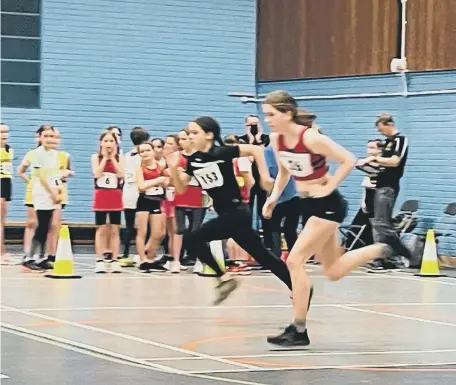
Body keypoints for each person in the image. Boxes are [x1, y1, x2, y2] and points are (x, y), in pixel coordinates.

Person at [261, 91, 394, 347]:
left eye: (271, 114)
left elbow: (348, 159)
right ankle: (384, 247)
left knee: (295, 260)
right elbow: (285, 172)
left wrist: (329, 185)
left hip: (328, 205)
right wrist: (273, 198)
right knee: (333, 271)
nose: (267, 119)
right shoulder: (277, 139)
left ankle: (298, 329)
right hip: (308, 205)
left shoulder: (310, 137)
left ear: (287, 113)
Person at [167, 116, 292, 305]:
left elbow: (256, 150)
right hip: (226, 214)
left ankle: (223, 279)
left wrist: (264, 178)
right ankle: (298, 286)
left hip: (237, 212)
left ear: (208, 135)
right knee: (264, 257)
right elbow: (182, 188)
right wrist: (174, 171)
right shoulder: (193, 160)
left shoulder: (222, 152)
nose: (190, 137)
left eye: (194, 133)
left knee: (194, 238)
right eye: (188, 133)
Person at [358, 113, 412, 267]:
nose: (380, 133)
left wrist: (374, 159)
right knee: (377, 223)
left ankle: (402, 251)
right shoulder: (387, 142)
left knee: (383, 223)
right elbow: (383, 165)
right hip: (378, 185)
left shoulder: (400, 140)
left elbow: (395, 162)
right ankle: (382, 258)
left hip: (388, 187)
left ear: (389, 124)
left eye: (382, 129)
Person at [22, 126, 61, 271]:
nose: (50, 139)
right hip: (43, 191)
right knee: (42, 225)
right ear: (40, 138)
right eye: (46, 136)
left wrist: (57, 191)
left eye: (52, 136)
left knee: (47, 225)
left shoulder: (55, 154)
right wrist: (52, 192)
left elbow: (54, 175)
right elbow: (42, 176)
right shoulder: (38, 153)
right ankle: (29, 257)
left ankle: (42, 257)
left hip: (52, 189)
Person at [236, 115, 272, 249]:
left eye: (256, 124)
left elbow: (263, 154)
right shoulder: (241, 140)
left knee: (264, 212)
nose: (253, 127)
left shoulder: (266, 139)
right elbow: (247, 157)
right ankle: (247, 244)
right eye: (251, 125)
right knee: (247, 212)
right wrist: (251, 140)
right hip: (247, 181)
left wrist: (258, 138)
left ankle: (269, 245)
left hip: (262, 180)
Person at [173, 129, 207, 269]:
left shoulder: (202, 155)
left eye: (185, 138)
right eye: (180, 139)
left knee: (196, 229)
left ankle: (199, 259)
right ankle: (176, 260)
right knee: (180, 229)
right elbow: (174, 174)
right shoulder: (176, 156)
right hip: (181, 194)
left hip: (198, 195)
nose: (182, 142)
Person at [91, 130, 124, 273]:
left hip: (115, 194)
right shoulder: (95, 157)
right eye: (106, 141)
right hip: (101, 194)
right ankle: (100, 259)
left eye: (111, 141)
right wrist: (105, 158)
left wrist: (113, 158)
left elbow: (121, 174)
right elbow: (97, 173)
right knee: (101, 228)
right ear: (100, 143)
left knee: (115, 228)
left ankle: (115, 259)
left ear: (116, 143)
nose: (108, 144)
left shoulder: (120, 157)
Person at [135, 142, 168, 272]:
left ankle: (150, 258)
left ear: (153, 151)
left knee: (157, 232)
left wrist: (165, 181)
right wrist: (157, 181)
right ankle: (142, 259)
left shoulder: (160, 167)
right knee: (142, 231)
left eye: (147, 150)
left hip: (157, 200)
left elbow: (165, 181)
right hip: (144, 201)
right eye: (142, 152)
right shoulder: (139, 169)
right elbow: (141, 186)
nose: (145, 153)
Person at [263, 144, 300, 258]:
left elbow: (268, 176)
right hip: (293, 194)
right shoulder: (290, 149)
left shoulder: (267, 152)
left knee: (275, 228)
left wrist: (270, 197)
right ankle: (294, 257)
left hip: (281, 195)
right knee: (290, 228)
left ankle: (275, 256)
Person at [121, 127, 150, 262]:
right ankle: (143, 252)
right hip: (142, 191)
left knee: (129, 224)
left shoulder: (126, 155)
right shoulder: (145, 155)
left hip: (128, 191)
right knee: (144, 225)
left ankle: (126, 252)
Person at [0, 124, 13, 264]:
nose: (4, 134)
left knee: (2, 221)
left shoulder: (9, 149)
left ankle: (2, 252)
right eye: (1, 132)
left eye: (6, 132)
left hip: (6, 183)